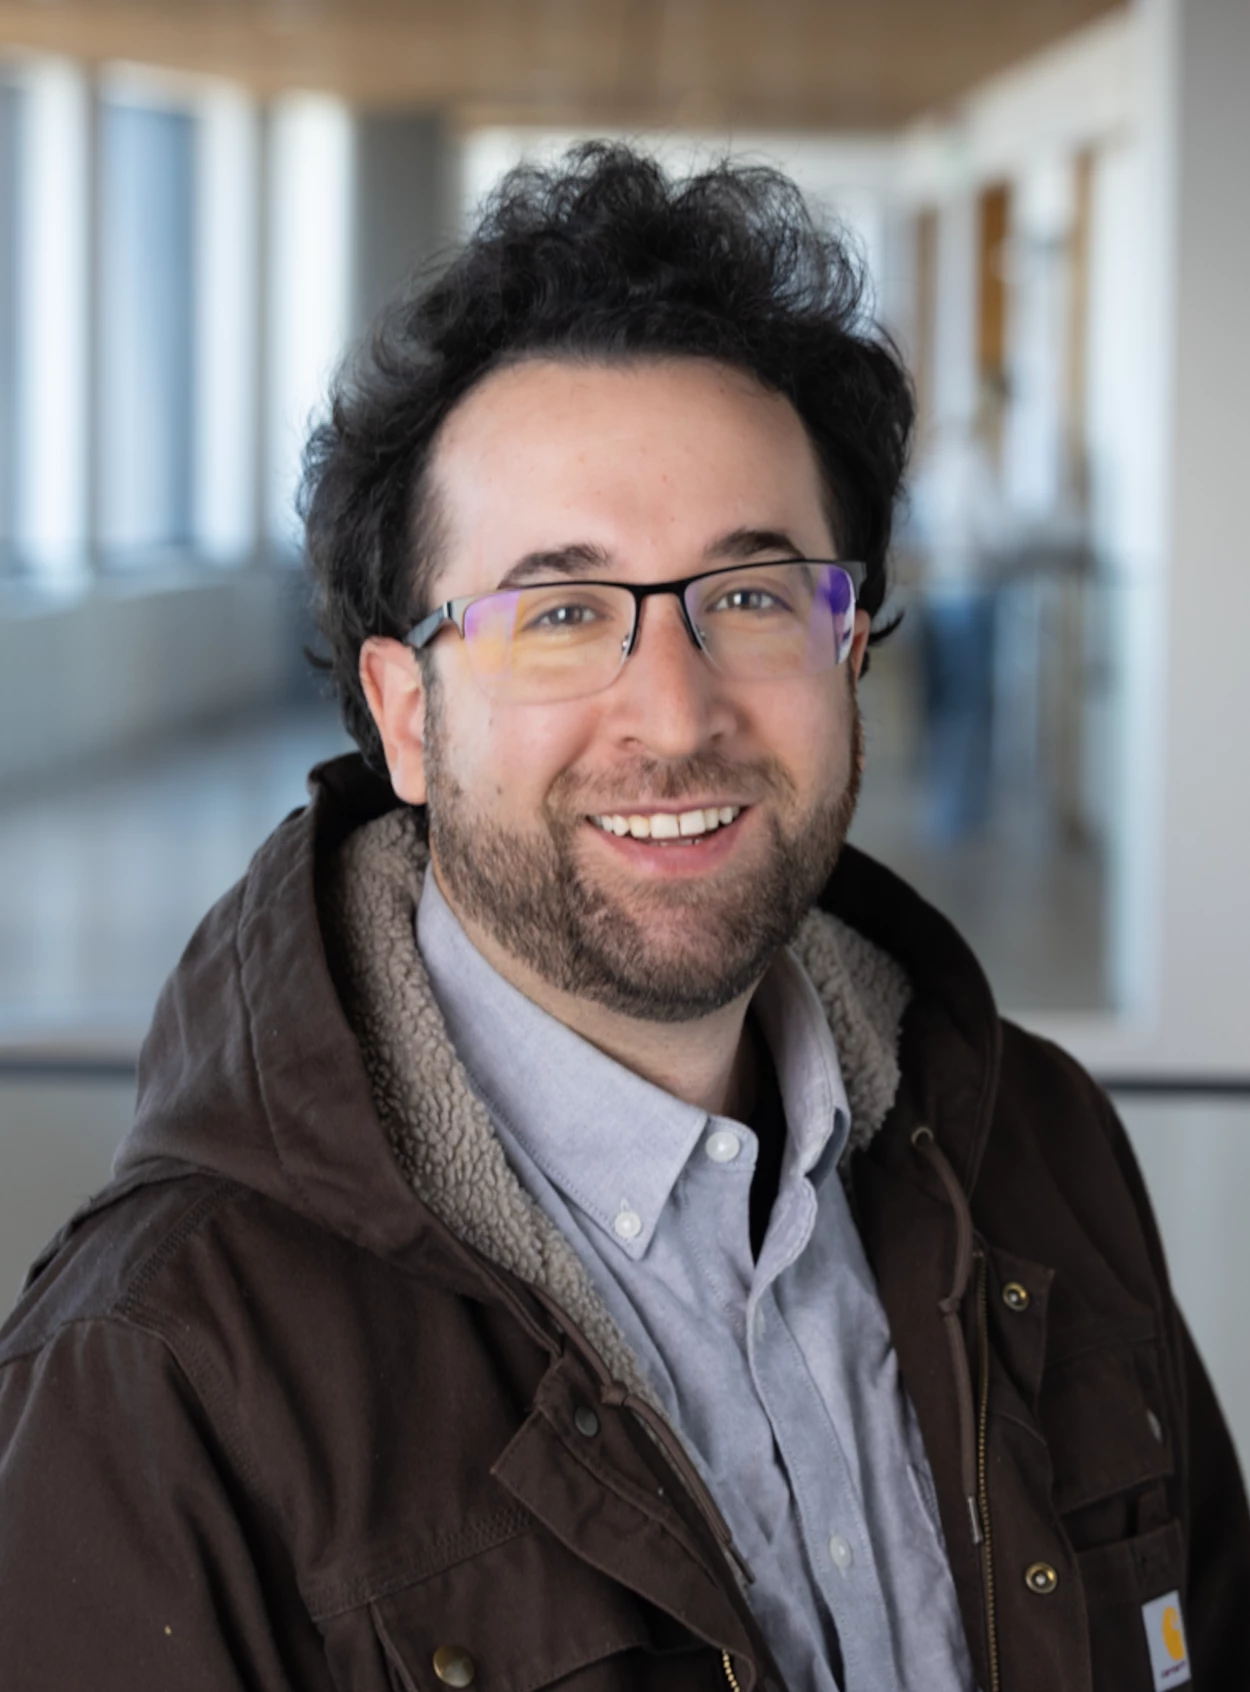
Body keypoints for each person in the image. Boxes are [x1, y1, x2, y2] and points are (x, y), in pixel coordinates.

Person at [0, 145, 1245, 1692]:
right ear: (406, 715)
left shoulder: (1037, 1150)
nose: (674, 711)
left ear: (849, 651)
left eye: (751, 595)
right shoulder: (160, 1372)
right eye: (561, 613)